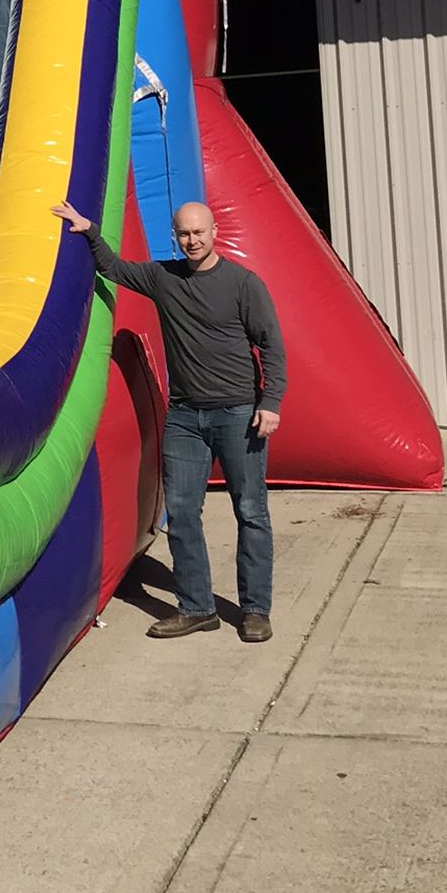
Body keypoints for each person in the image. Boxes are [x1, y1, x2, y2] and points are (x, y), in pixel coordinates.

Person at [52, 198, 285, 644]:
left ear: (214, 232)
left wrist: (270, 402)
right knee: (180, 513)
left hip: (239, 414)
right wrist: (87, 230)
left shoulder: (243, 284)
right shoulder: (163, 278)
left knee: (251, 511)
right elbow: (114, 269)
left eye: (199, 232)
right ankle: (197, 608)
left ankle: (255, 610)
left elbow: (271, 346)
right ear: (175, 237)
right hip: (183, 417)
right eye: (184, 234)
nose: (192, 240)